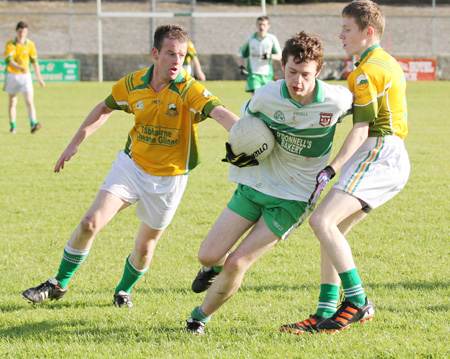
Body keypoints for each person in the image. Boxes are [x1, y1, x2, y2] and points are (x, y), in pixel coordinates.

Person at [22, 24, 239, 308]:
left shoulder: (190, 89)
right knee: (90, 223)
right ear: (155, 53)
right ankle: (58, 283)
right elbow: (104, 108)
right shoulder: (133, 84)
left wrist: (245, 134)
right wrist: (75, 142)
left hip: (169, 178)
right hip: (131, 166)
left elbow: (221, 114)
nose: (177, 61)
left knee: (144, 247)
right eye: (170, 54)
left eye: (182, 55)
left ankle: (123, 290)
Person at [185, 31, 353, 335]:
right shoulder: (265, 95)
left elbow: (368, 112)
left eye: (305, 74)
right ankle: (211, 268)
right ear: (282, 66)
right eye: (291, 72)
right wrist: (242, 148)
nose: (297, 81)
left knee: (237, 263)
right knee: (208, 255)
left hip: (293, 198)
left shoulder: (336, 100)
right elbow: (247, 130)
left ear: (318, 71)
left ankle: (198, 318)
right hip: (255, 185)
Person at [280, 0, 410, 335]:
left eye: (347, 28)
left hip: (378, 150)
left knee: (322, 221)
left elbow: (362, 128)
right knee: (330, 230)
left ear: (368, 32)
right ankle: (324, 311)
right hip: (386, 152)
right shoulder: (385, 62)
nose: (340, 34)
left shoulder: (365, 72)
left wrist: (332, 167)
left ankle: (357, 300)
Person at [4, 21, 45, 134]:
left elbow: (35, 62)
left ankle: (33, 124)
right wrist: (20, 68)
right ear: (16, 31)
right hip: (12, 75)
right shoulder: (10, 44)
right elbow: (9, 60)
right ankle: (13, 126)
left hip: (25, 77)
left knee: (29, 100)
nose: (22, 34)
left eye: (24, 32)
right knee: (13, 102)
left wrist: (39, 78)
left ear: (27, 32)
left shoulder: (30, 44)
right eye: (20, 32)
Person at [238, 16, 282, 94]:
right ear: (256, 25)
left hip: (267, 74)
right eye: (260, 24)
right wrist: (241, 66)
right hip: (253, 73)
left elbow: (280, 56)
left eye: (264, 25)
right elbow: (241, 52)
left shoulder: (271, 39)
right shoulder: (250, 39)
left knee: (266, 97)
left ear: (268, 26)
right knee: (255, 96)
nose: (261, 27)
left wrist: (269, 56)